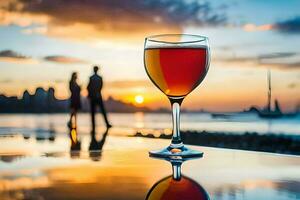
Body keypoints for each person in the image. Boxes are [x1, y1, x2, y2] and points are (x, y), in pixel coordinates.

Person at [87, 66, 111, 132]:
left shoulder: (92, 78)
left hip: (94, 96)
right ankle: (106, 123)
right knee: (102, 111)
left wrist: (91, 94)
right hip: (97, 96)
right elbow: (100, 86)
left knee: (93, 112)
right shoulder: (99, 78)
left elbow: (88, 87)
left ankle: (94, 125)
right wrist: (97, 92)